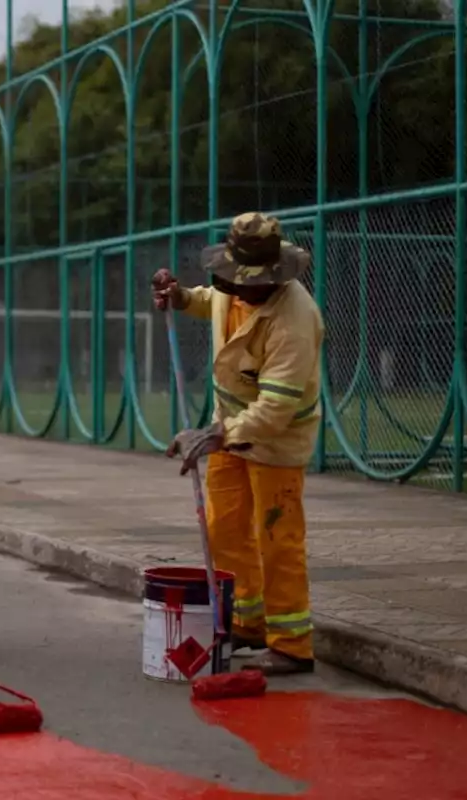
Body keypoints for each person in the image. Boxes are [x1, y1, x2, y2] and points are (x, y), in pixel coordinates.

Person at [151, 212, 323, 677]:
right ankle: (248, 621)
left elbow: (275, 410)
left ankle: (291, 643)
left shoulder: (294, 320)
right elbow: (214, 302)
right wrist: (182, 297)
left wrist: (214, 436)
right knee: (224, 528)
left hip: (276, 442)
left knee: (277, 539)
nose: (237, 289)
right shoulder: (236, 290)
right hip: (228, 429)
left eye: (247, 283)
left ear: (273, 276)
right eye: (232, 279)